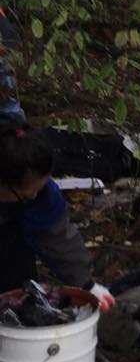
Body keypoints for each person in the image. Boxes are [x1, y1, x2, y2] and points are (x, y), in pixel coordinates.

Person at [0, 118, 114, 310]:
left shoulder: (41, 195)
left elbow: (57, 237)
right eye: (27, 194)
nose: (34, 196)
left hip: (11, 248)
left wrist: (87, 285)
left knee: (18, 290)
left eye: (39, 188)